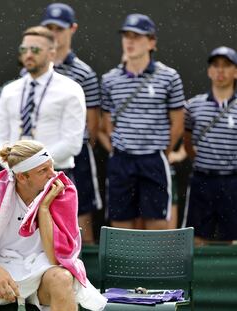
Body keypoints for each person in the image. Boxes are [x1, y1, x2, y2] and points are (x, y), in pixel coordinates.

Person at [0, 140, 106, 311]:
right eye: (43, 170)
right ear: (22, 177)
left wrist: (44, 209)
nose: (53, 175)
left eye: (52, 167)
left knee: (63, 278)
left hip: (42, 274)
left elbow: (55, 258)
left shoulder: (63, 192)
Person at [100, 13, 185, 230]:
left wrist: (160, 153)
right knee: (120, 225)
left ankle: (155, 266)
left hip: (153, 160)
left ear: (151, 42)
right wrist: (120, 148)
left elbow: (177, 123)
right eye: (127, 36)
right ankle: (123, 266)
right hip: (121, 161)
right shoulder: (109, 79)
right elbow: (107, 123)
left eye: (137, 36)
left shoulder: (169, 77)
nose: (130, 41)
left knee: (157, 224)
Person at [40, 3, 102, 244]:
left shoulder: (84, 73)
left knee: (80, 213)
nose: (54, 34)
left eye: (60, 28)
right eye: (49, 28)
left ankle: (85, 277)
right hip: (41, 155)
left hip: (77, 156)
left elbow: (93, 125)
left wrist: (72, 146)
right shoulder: (33, 71)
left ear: (72, 29)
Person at [0, 26, 86, 177]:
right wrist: (11, 165)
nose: (28, 55)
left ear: (52, 53)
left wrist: (33, 164)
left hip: (54, 174)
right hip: (15, 174)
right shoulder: (9, 90)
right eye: (24, 49)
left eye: (35, 50)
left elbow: (72, 143)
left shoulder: (70, 89)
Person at [183, 46, 237, 245]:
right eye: (215, 66)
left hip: (233, 181)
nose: (220, 71)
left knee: (233, 237)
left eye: (226, 66)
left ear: (235, 71)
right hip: (202, 180)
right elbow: (187, 141)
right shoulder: (193, 106)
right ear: (209, 71)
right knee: (196, 237)